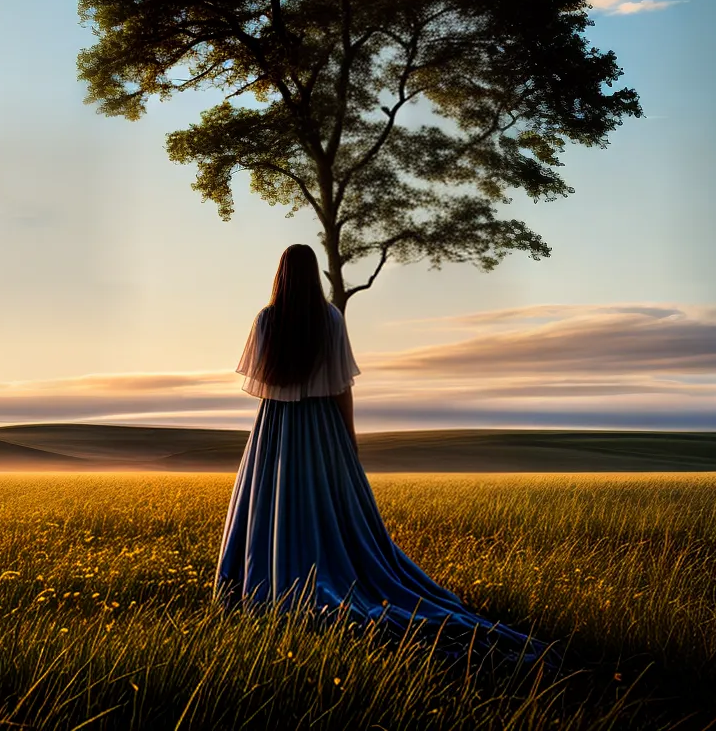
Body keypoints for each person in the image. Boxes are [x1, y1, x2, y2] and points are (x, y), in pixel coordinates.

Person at [213, 243, 550, 664]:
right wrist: (348, 440)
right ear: (314, 273)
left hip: (277, 429)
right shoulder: (329, 317)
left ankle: (269, 579)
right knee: (336, 510)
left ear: (280, 274)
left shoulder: (266, 319)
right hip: (322, 428)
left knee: (272, 503)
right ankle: (338, 574)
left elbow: (263, 382)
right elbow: (340, 386)